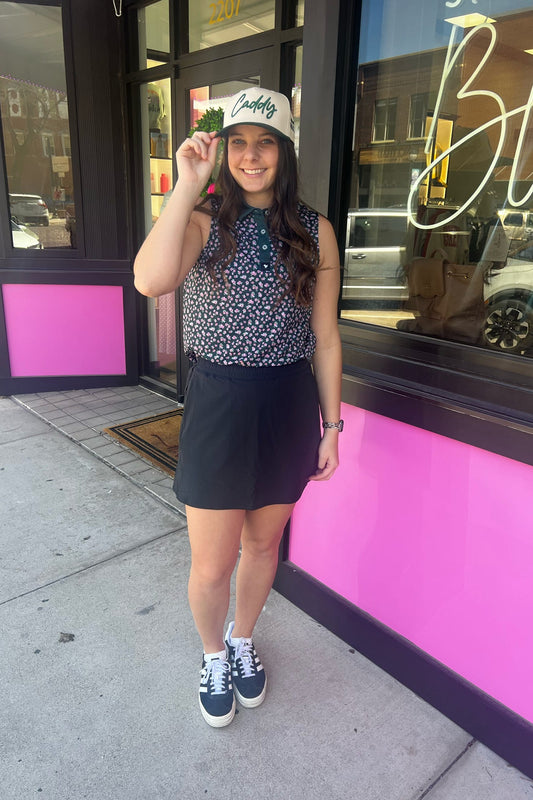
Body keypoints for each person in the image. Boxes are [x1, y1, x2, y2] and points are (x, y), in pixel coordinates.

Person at [134, 87, 343, 728]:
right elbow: (150, 280)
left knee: (262, 546)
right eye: (240, 143)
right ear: (224, 152)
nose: (253, 156)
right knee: (212, 560)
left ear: (284, 152)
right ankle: (213, 653)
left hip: (288, 402)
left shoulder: (315, 229)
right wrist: (185, 186)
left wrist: (332, 426)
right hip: (219, 401)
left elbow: (327, 336)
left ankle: (245, 638)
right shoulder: (200, 219)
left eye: (267, 142)